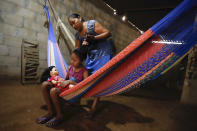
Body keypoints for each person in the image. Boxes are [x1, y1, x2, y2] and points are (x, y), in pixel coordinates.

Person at [68, 13, 115, 113]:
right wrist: (76, 58)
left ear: (79, 18)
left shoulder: (91, 24)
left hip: (103, 54)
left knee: (98, 80)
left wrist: (94, 38)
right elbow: (77, 50)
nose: (73, 26)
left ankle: (93, 107)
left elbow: (108, 33)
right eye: (71, 25)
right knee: (86, 77)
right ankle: (77, 99)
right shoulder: (77, 35)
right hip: (91, 56)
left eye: (74, 22)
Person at [36, 48, 88, 127]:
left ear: (82, 61)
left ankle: (59, 115)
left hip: (74, 93)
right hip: (66, 89)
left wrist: (70, 82)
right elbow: (66, 80)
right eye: (71, 59)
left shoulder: (84, 71)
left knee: (53, 91)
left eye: (75, 60)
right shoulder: (70, 68)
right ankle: (50, 112)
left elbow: (84, 86)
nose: (72, 62)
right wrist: (58, 81)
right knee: (45, 85)